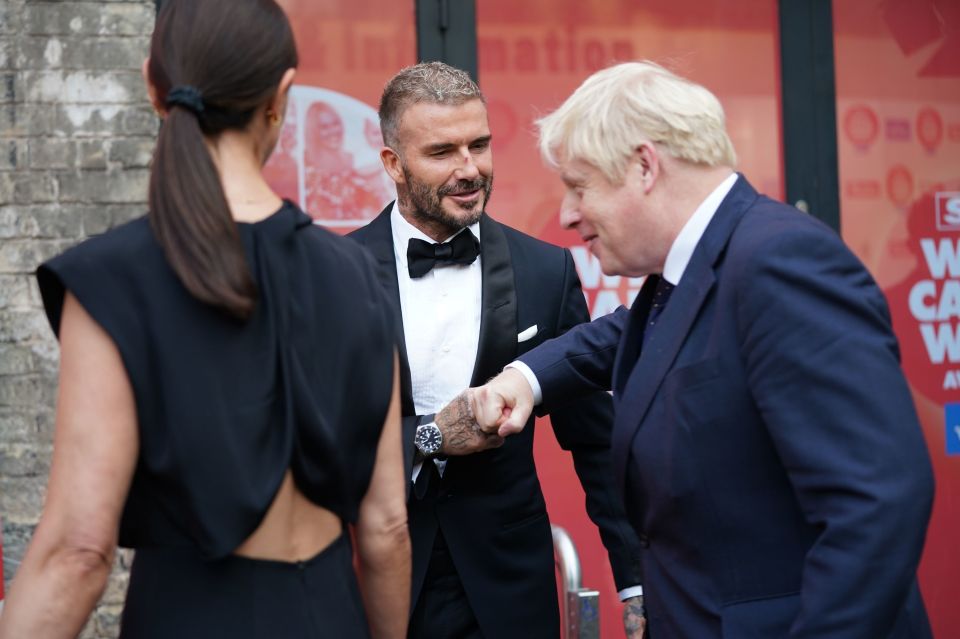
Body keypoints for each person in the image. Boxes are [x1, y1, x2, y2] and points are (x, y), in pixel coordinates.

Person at [472, 60, 936, 638]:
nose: (567, 214)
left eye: (579, 186)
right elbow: (624, 334)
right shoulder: (699, 270)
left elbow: (878, 504)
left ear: (644, 166)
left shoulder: (780, 264)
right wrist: (524, 377)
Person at [0, 1, 410, 638]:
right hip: (330, 615)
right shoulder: (358, 275)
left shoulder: (115, 279)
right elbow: (386, 529)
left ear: (152, 87)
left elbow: (79, 553)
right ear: (282, 95)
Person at [348, 62, 645, 639]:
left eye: (479, 145)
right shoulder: (334, 273)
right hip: (377, 580)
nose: (469, 169)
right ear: (393, 165)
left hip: (510, 592)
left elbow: (595, 441)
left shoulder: (546, 270)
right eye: (441, 152)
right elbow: (320, 436)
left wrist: (634, 583)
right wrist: (429, 436)